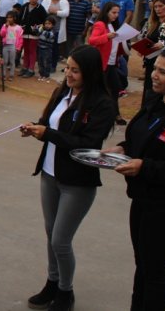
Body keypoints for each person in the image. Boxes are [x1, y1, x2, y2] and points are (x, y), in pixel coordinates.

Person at [20, 45, 115, 311]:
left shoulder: (102, 104)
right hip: (49, 174)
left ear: (91, 73)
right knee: (51, 234)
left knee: (61, 239)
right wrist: (33, 127)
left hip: (77, 182)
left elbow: (87, 143)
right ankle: (52, 282)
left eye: (75, 70)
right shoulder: (63, 91)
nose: (69, 75)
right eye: (68, 68)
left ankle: (65, 291)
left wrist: (46, 134)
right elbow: (48, 122)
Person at [106, 46, 165, 311]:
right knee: (142, 264)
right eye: (155, 69)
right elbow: (142, 137)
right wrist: (124, 147)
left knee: (154, 271)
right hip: (144, 198)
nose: (154, 75)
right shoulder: (156, 101)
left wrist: (144, 166)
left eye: (163, 72)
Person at [89, 2, 127, 125]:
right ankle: (95, 114)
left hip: (111, 63)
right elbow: (92, 40)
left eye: (117, 13)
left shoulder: (113, 25)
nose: (116, 15)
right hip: (102, 64)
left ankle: (114, 114)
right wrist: (107, 36)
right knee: (100, 90)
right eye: (113, 12)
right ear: (106, 12)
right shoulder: (100, 24)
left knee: (115, 89)